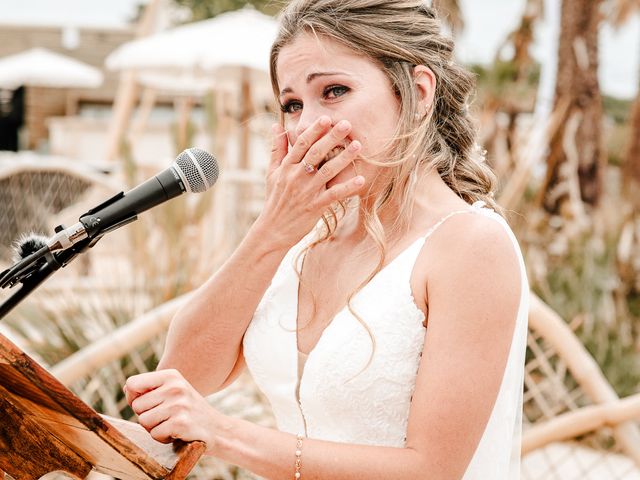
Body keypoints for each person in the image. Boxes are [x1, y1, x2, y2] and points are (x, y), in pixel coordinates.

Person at [124, 1, 529, 478]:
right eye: (292, 104)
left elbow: (432, 469)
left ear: (418, 93)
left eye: (334, 91)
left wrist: (225, 434)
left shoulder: (470, 244)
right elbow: (182, 376)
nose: (305, 126)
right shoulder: (306, 236)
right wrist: (271, 233)